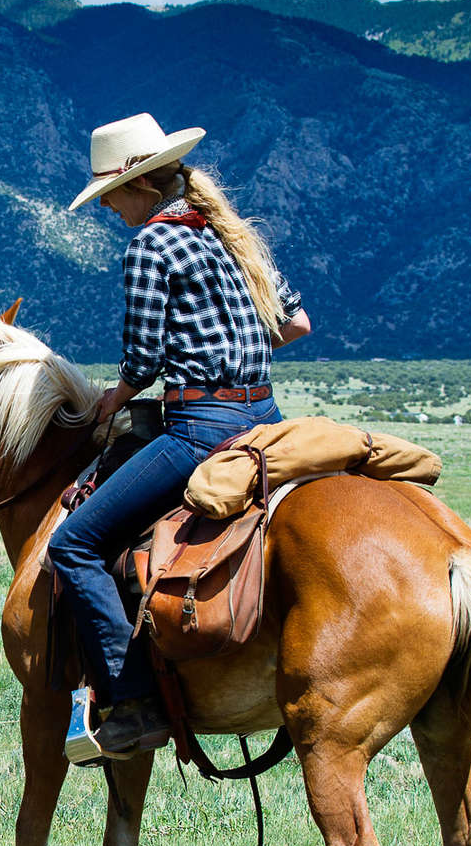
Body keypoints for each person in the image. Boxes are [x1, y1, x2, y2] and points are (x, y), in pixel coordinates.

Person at [50, 113, 310, 763]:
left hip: (201, 429)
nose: (110, 209)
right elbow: (297, 323)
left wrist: (117, 394)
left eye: (109, 196)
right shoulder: (233, 234)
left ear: (134, 187)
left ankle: (134, 702)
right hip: (266, 422)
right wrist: (232, 345)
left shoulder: (152, 244)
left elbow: (140, 359)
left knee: (74, 542)